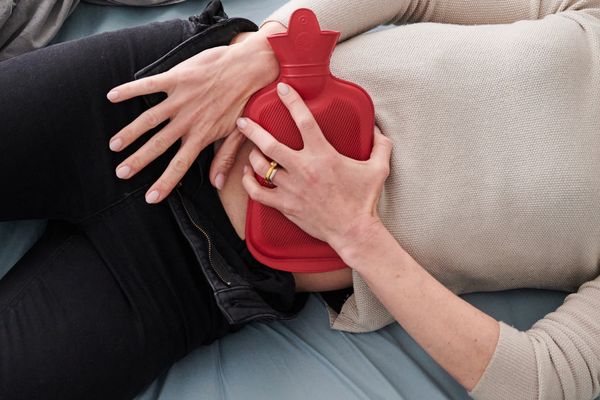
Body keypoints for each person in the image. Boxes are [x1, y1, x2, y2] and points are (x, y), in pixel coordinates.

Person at [0, 1, 599, 400]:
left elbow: (539, 379)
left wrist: (354, 232)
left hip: (195, 278)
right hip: (162, 94)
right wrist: (265, 49)